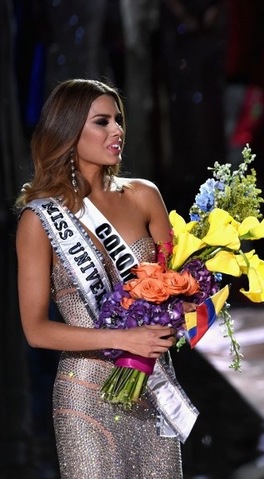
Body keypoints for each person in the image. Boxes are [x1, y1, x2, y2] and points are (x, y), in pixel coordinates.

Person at [14, 78, 195, 478]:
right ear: (69, 130)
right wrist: (123, 338)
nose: (117, 131)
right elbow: (36, 330)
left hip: (152, 388)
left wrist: (192, 302)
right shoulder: (40, 219)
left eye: (118, 120)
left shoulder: (144, 195)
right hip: (85, 395)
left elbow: (180, 285)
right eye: (102, 122)